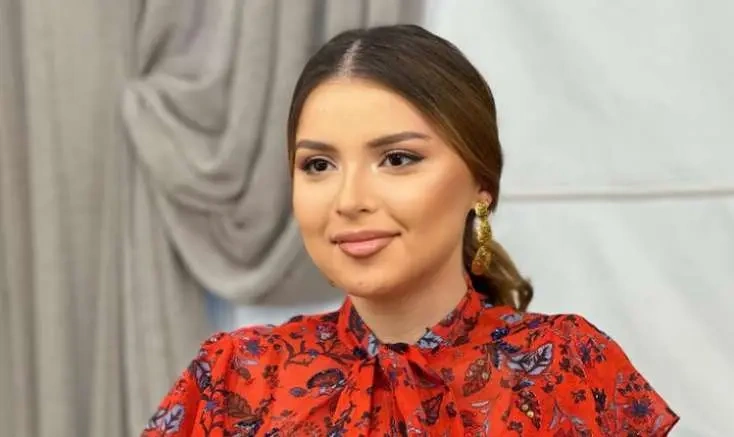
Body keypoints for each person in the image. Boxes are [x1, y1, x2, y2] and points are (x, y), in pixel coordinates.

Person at [141, 24, 678, 436]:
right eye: (318, 165)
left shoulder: (569, 366)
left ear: (480, 183)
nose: (349, 200)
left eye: (397, 159)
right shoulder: (234, 376)